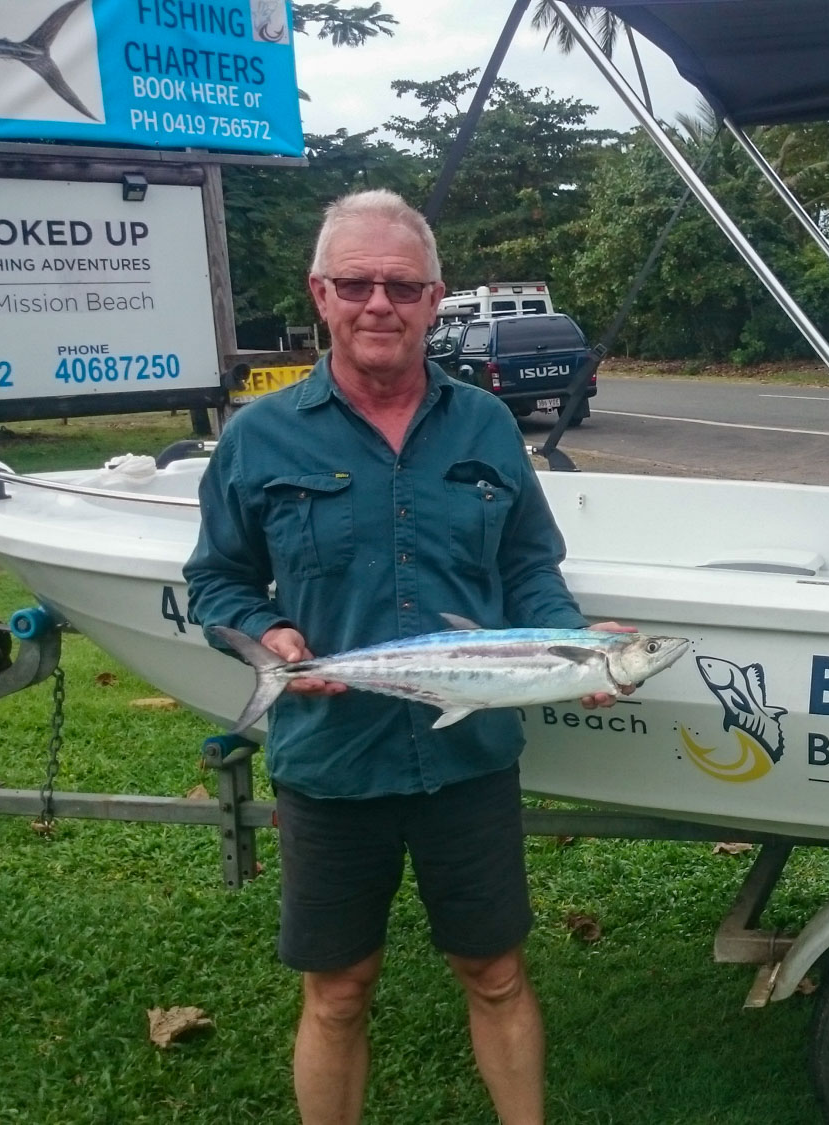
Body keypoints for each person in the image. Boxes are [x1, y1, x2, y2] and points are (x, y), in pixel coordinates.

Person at [186, 188, 626, 1125]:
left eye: (401, 285)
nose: (378, 303)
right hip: (331, 758)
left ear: (434, 298)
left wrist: (577, 649)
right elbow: (217, 579)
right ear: (320, 294)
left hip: (468, 759)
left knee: (496, 972)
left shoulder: (486, 426)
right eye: (356, 284)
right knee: (338, 990)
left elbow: (529, 568)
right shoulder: (260, 436)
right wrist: (270, 634)